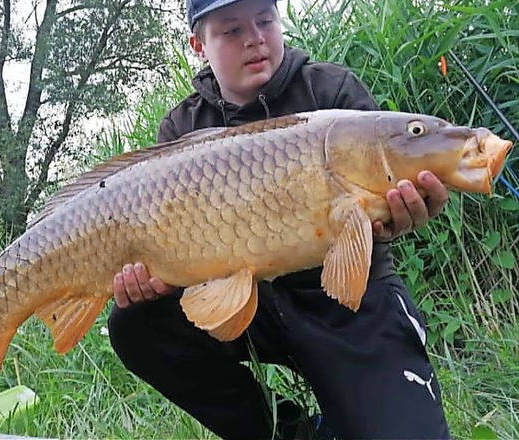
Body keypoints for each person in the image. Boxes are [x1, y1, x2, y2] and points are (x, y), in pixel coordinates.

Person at [108, 0, 452, 438]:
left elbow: (389, 200)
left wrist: (402, 215)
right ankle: (284, 432)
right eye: (231, 31)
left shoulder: (333, 93)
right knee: (135, 324)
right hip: (253, 306)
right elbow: (182, 271)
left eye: (265, 20)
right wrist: (153, 277)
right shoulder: (183, 129)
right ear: (199, 44)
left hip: (352, 299)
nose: (254, 38)